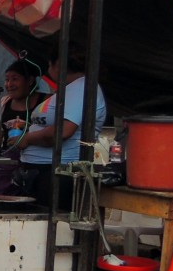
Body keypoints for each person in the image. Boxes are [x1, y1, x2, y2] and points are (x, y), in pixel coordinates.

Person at [16, 49, 106, 209]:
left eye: (49, 64)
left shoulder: (81, 88)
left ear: (57, 65)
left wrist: (28, 138)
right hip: (40, 170)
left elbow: (63, 131)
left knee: (48, 226)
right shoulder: (70, 89)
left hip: (57, 172)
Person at [0, 58, 49, 195]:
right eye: (7, 79)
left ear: (30, 81)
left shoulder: (47, 102)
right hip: (7, 164)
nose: (9, 84)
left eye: (15, 79)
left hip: (36, 163)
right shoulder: (3, 103)